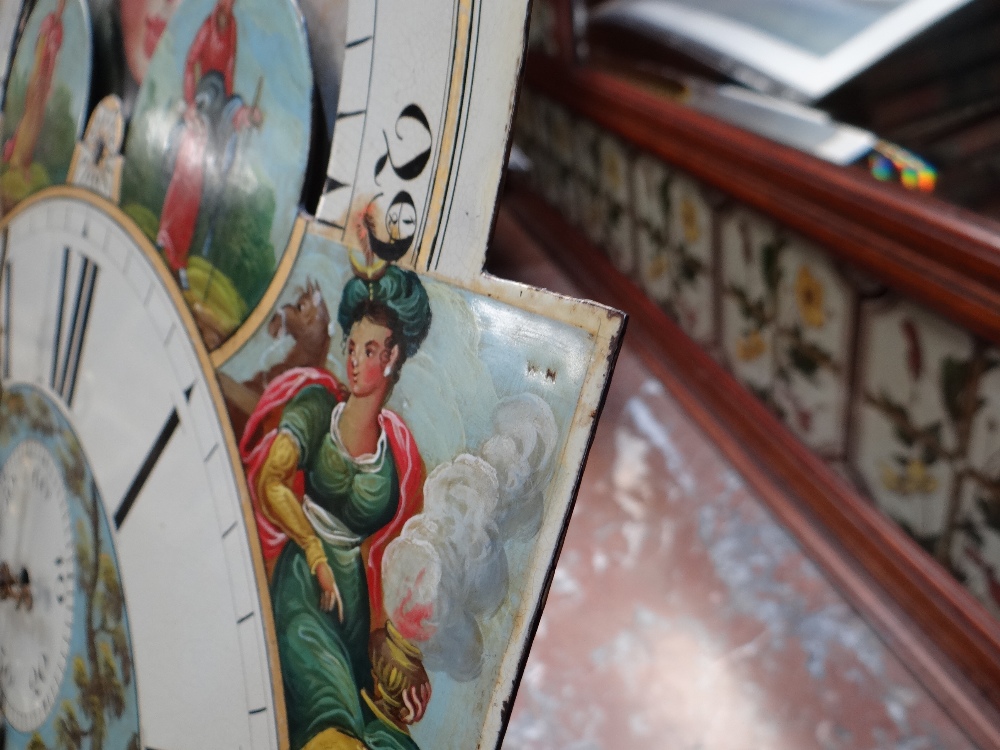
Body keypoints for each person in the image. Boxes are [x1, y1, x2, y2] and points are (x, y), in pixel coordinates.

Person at [241, 265, 434, 750]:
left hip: (352, 606)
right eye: (351, 346)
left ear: (392, 358)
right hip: (304, 583)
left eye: (369, 350)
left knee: (375, 731)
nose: (353, 360)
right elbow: (272, 480)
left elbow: (397, 556)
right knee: (330, 713)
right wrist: (313, 549)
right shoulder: (315, 408)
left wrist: (395, 646)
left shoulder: (400, 457)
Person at [156, 0, 261, 289]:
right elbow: (191, 63)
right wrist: (190, 106)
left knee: (198, 191)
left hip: (215, 113)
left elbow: (228, 80)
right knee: (182, 178)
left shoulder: (233, 29)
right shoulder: (207, 26)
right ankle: (165, 238)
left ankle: (179, 258)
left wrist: (243, 114)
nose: (227, 3)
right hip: (201, 104)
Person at [3, 0, 66, 177]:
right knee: (29, 115)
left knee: (37, 119)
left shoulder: (60, 27)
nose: (61, 6)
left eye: (63, 4)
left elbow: (56, 57)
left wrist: (50, 82)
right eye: (60, 3)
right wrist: (39, 78)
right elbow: (39, 50)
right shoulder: (47, 21)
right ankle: (16, 158)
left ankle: (24, 161)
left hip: (45, 79)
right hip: (38, 77)